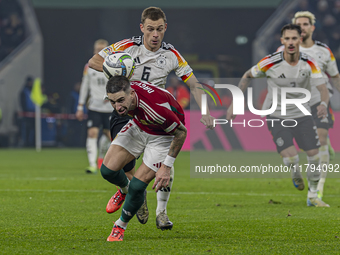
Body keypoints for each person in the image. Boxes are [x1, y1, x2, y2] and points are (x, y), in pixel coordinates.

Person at [88, 7, 214, 230]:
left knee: (164, 162)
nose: (155, 34)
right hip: (126, 110)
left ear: (165, 28)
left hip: (155, 112)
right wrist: (120, 70)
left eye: (159, 29)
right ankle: (133, 192)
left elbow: (194, 84)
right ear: (142, 28)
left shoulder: (171, 55)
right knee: (126, 166)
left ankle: (162, 212)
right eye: (150, 29)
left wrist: (205, 110)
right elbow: (94, 62)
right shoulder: (127, 46)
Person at [227, 24, 330, 207]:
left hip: (302, 115)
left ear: (300, 40)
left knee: (315, 156)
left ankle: (313, 196)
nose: (291, 42)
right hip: (277, 115)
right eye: (287, 39)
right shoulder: (270, 62)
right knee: (291, 157)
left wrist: (323, 104)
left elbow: (322, 88)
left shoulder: (310, 63)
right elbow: (247, 75)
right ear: (282, 41)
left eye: (294, 38)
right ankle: (295, 172)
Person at [102, 76, 187, 241]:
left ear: (132, 94)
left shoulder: (155, 109)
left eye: (121, 100)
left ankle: (120, 226)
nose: (118, 107)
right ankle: (125, 191)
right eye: (113, 102)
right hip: (140, 125)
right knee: (107, 170)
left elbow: (181, 132)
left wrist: (166, 166)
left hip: (163, 136)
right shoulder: (125, 91)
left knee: (137, 186)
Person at [276, 11, 340, 199]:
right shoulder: (283, 51)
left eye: (305, 24)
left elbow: (335, 76)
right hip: (294, 102)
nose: (301, 28)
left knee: (319, 140)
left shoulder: (323, 51)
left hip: (319, 100)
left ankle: (317, 189)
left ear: (312, 27)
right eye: (298, 25)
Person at [76, 39, 112, 174]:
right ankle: (92, 164)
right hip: (94, 107)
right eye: (97, 50)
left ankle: (103, 159)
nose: (99, 52)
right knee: (92, 133)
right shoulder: (88, 66)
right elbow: (85, 86)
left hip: (109, 108)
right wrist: (80, 106)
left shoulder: (114, 65)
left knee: (110, 136)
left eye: (102, 50)